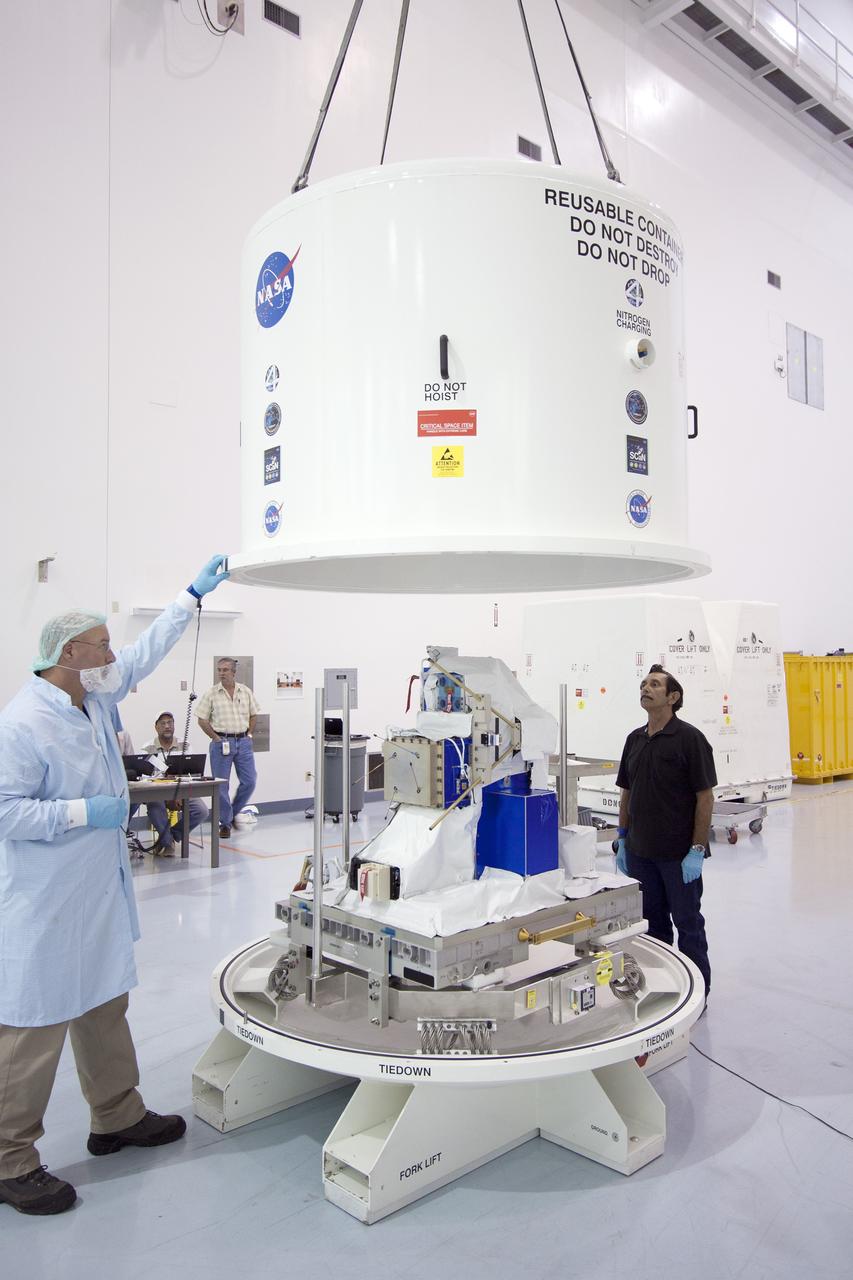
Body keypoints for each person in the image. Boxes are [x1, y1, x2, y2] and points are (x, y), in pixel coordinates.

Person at [0, 555, 229, 1216]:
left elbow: (145, 651)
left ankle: (116, 1116)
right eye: (100, 645)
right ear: (69, 652)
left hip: (95, 895)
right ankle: (11, 1160)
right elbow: (6, 812)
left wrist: (189, 597)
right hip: (44, 903)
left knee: (104, 1005)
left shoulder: (92, 695)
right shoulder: (23, 724)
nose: (111, 655)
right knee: (33, 1028)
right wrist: (85, 812)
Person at [615, 664, 715, 1000]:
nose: (646, 688)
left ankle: (697, 994)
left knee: (688, 925)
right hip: (642, 853)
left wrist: (697, 850)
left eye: (655, 684)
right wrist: (623, 837)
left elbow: (705, 797)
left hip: (678, 855)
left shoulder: (690, 739)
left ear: (672, 697)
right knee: (653, 926)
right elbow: (626, 792)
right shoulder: (634, 739)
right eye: (644, 683)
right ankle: (662, 990)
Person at [196, 658, 260, 838]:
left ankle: (230, 814)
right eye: (219, 670)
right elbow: (201, 719)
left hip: (243, 741)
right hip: (221, 742)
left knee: (250, 781)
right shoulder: (211, 694)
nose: (221, 673)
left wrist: (249, 735)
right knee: (221, 785)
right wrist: (215, 738)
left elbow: (254, 714)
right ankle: (225, 823)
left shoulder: (245, 691)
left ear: (234, 672)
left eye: (225, 670)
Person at [141, 712, 209, 856]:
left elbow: (192, 774)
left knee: (201, 810)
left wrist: (179, 795)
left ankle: (169, 837)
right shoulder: (147, 748)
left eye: (170, 723)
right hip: (157, 793)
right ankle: (168, 843)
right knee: (154, 805)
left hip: (183, 792)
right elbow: (145, 777)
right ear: (156, 727)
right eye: (163, 723)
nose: (167, 726)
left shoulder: (185, 746)